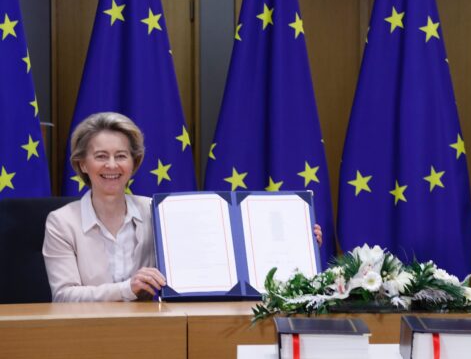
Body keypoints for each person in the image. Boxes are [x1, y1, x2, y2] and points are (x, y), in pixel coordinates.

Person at [43, 112, 323, 302]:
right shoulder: (61, 222)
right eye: (101, 156)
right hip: (86, 333)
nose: (112, 166)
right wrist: (126, 289)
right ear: (82, 163)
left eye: (122, 156)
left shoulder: (158, 210)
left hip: (153, 330)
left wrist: (299, 241)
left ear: (134, 163)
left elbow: (222, 251)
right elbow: (64, 295)